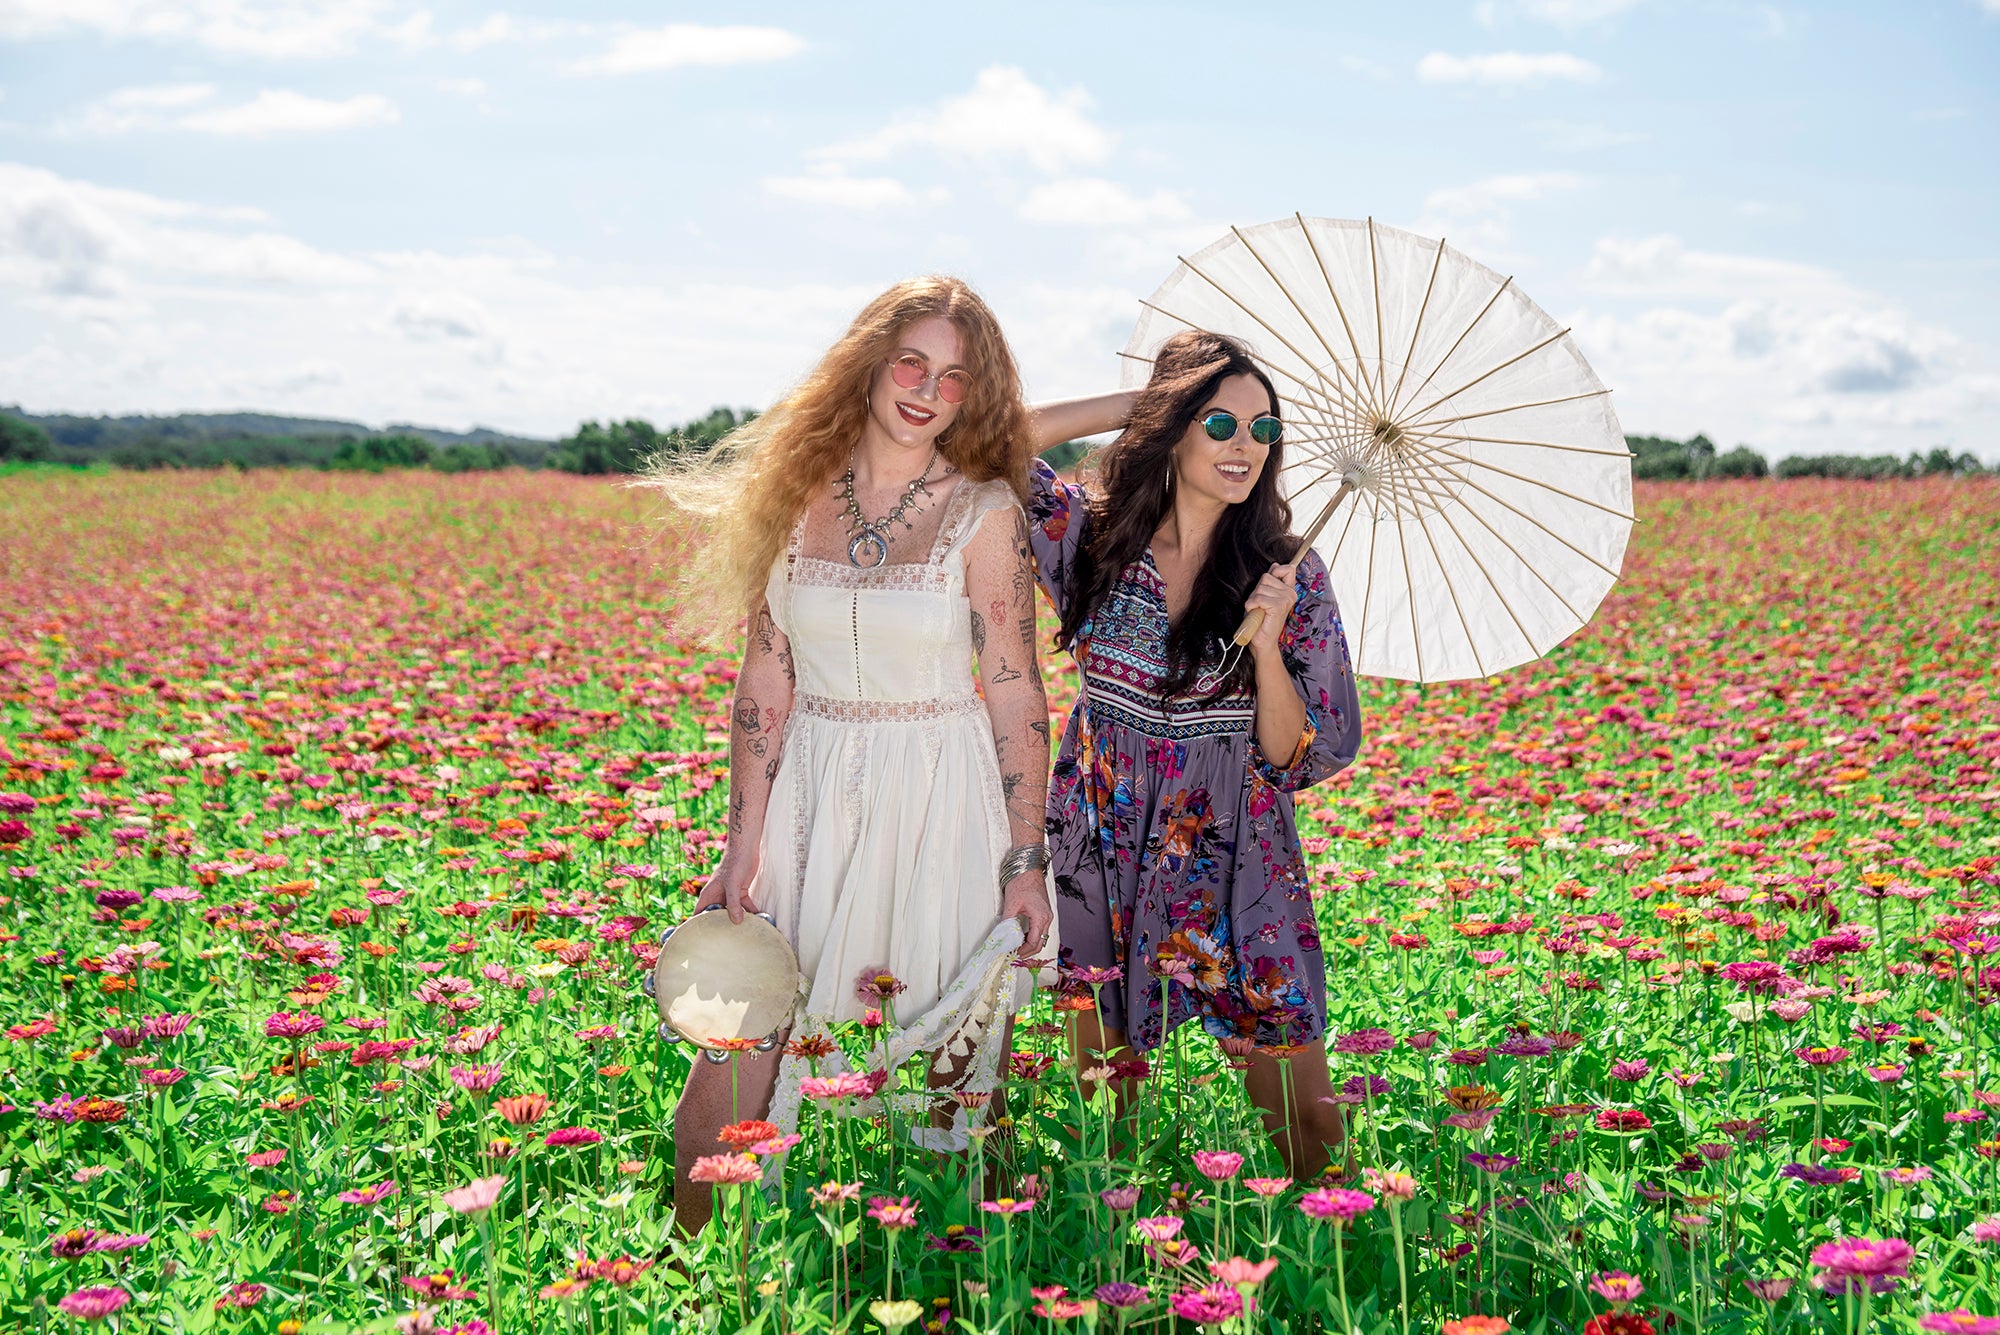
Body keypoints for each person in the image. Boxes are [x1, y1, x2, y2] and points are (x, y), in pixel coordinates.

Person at [644, 276, 1056, 1233]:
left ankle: (970, 1274)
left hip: (943, 796)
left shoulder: (985, 511)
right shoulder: (792, 496)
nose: (925, 388)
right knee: (739, 1036)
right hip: (812, 793)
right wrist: (740, 843)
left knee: (958, 1067)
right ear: (870, 363)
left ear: (973, 396)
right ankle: (692, 1272)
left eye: (955, 378)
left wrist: (1025, 857)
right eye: (910, 361)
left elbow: (1015, 685)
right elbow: (765, 678)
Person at [1025, 330, 1364, 1179]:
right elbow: (994, 447)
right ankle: (1117, 1261)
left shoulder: (1288, 569)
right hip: (1099, 837)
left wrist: (1270, 642)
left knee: (1306, 1119)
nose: (1245, 446)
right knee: (1107, 1101)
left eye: (1263, 429)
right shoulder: (1093, 539)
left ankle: (1340, 1261)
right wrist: (1135, 406)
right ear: (1174, 427)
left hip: (1238, 850)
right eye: (1219, 423)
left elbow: (1295, 756)